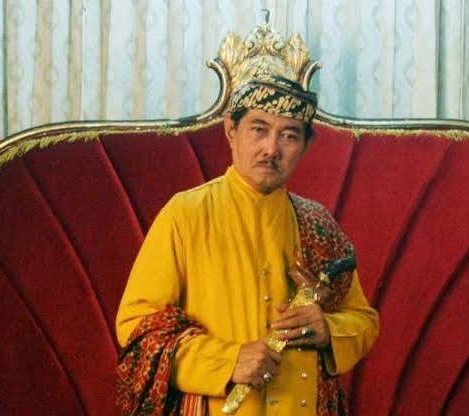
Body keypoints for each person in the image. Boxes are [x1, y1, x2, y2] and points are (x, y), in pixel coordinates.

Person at [115, 69, 379, 416]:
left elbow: (363, 320)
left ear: (306, 146)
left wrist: (328, 329)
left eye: (289, 135)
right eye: (259, 129)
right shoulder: (186, 214)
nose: (271, 149)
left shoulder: (318, 224)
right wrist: (227, 361)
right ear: (231, 129)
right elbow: (136, 326)